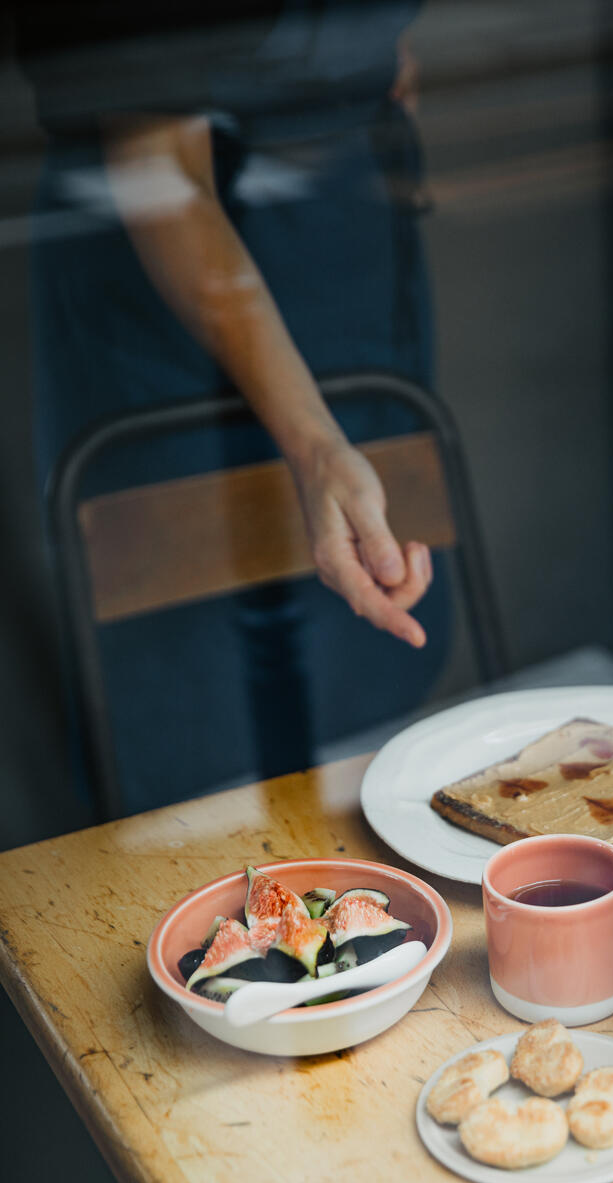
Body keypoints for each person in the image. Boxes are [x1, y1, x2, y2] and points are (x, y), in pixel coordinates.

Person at [16, 0, 450, 812]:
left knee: (372, 671)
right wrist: (316, 445)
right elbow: (154, 163)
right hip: (172, 276)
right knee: (194, 713)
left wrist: (371, 44)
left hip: (341, 235)